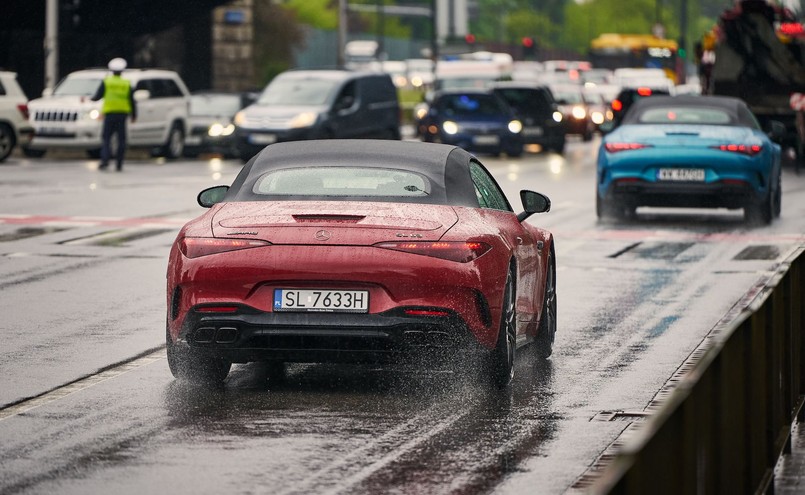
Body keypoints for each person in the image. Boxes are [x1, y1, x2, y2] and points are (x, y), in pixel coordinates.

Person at [92, 57, 137, 171]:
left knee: (106, 138)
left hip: (110, 114)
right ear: (122, 70)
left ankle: (105, 161)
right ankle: (119, 163)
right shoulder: (126, 83)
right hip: (122, 115)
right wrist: (134, 115)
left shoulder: (107, 81)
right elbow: (132, 100)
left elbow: (97, 96)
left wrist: (88, 99)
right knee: (121, 139)